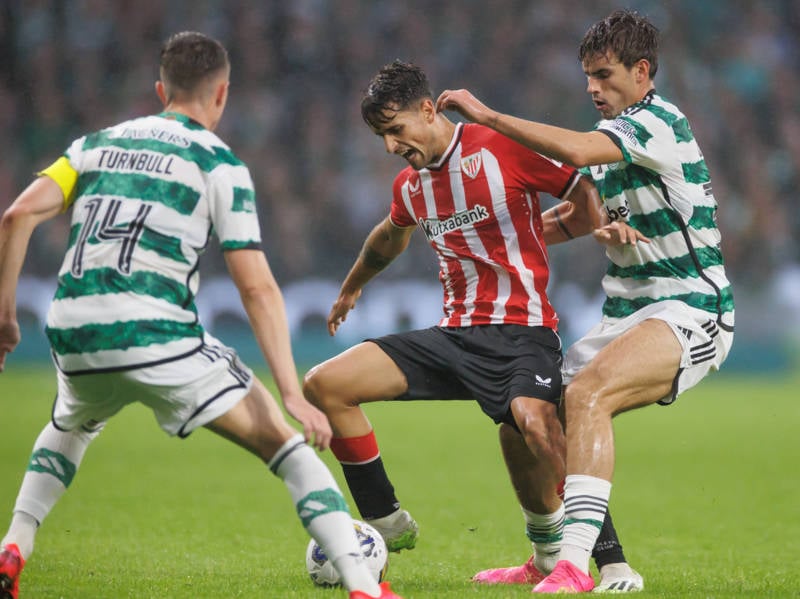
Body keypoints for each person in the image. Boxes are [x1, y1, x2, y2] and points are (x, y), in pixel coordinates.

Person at [0, 32, 402, 599]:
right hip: (155, 329)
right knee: (286, 449)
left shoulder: (94, 144)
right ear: (222, 95)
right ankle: (365, 586)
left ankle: (14, 544)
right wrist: (289, 390)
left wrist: (5, 317)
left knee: (71, 425)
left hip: (72, 326)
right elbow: (257, 287)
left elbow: (16, 216)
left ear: (161, 89)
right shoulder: (218, 162)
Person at [302, 59, 638, 591]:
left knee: (535, 423)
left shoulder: (495, 147)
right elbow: (388, 237)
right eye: (381, 137)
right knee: (325, 383)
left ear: (428, 109)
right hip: (455, 337)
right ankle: (386, 522)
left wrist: (598, 227)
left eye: (396, 130)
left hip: (523, 330)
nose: (391, 146)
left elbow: (578, 186)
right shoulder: (411, 187)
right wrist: (351, 286)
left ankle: (611, 560)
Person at [437, 9, 734, 593]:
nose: (593, 88)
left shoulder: (657, 121)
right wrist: (496, 241)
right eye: (587, 77)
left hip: (691, 307)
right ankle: (550, 556)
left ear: (642, 70)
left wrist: (489, 117)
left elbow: (573, 154)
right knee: (523, 414)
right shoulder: (621, 133)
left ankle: (578, 565)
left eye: (603, 75)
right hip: (625, 314)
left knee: (587, 393)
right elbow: (582, 215)